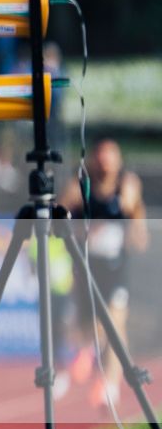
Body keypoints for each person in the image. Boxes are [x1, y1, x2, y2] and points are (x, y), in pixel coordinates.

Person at [59, 138, 147, 408]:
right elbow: (60, 215)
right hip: (87, 265)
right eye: (101, 156)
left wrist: (134, 219)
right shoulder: (81, 185)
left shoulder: (126, 185)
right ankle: (83, 354)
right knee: (85, 326)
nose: (106, 163)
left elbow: (136, 221)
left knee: (115, 322)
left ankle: (110, 383)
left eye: (112, 157)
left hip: (115, 267)